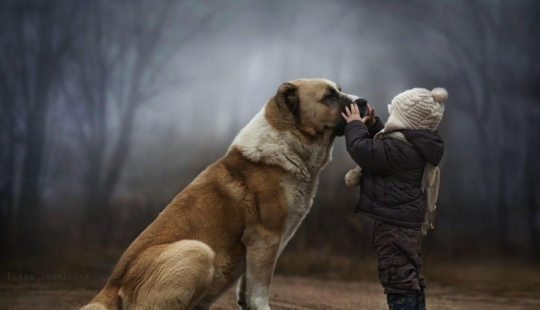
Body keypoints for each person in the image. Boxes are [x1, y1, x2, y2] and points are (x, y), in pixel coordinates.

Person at [341, 88, 447, 310]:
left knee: (397, 276)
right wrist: (372, 126)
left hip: (393, 226)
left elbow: (364, 150)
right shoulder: (413, 146)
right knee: (409, 274)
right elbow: (385, 148)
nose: (390, 120)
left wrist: (354, 125)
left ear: (404, 119)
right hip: (407, 222)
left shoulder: (397, 151)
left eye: (394, 115)